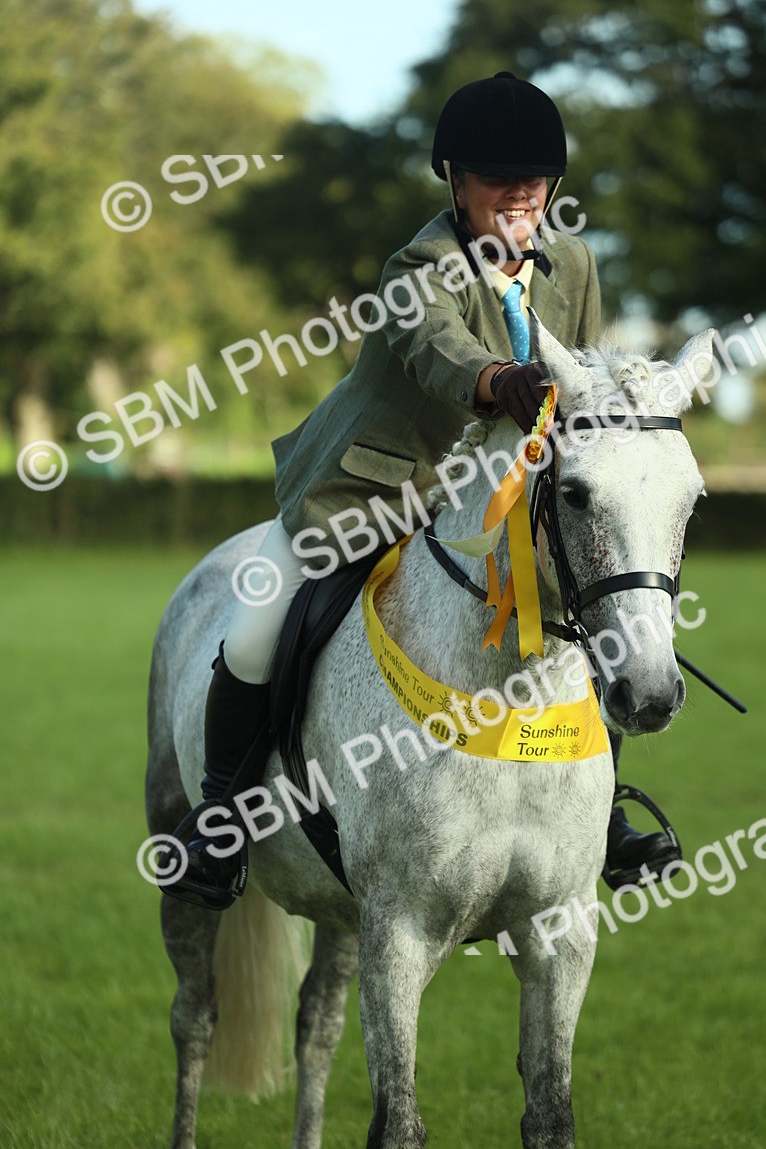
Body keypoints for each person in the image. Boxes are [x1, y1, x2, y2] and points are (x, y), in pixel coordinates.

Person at [163, 71, 678, 909]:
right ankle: (219, 821)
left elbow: (587, 383)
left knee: (604, 629)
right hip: (373, 491)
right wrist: (496, 381)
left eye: (535, 182)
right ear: (454, 182)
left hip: (512, 510)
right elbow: (432, 347)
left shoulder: (575, 264)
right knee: (257, 629)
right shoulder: (420, 265)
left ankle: (605, 819)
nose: (519, 195)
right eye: (496, 181)